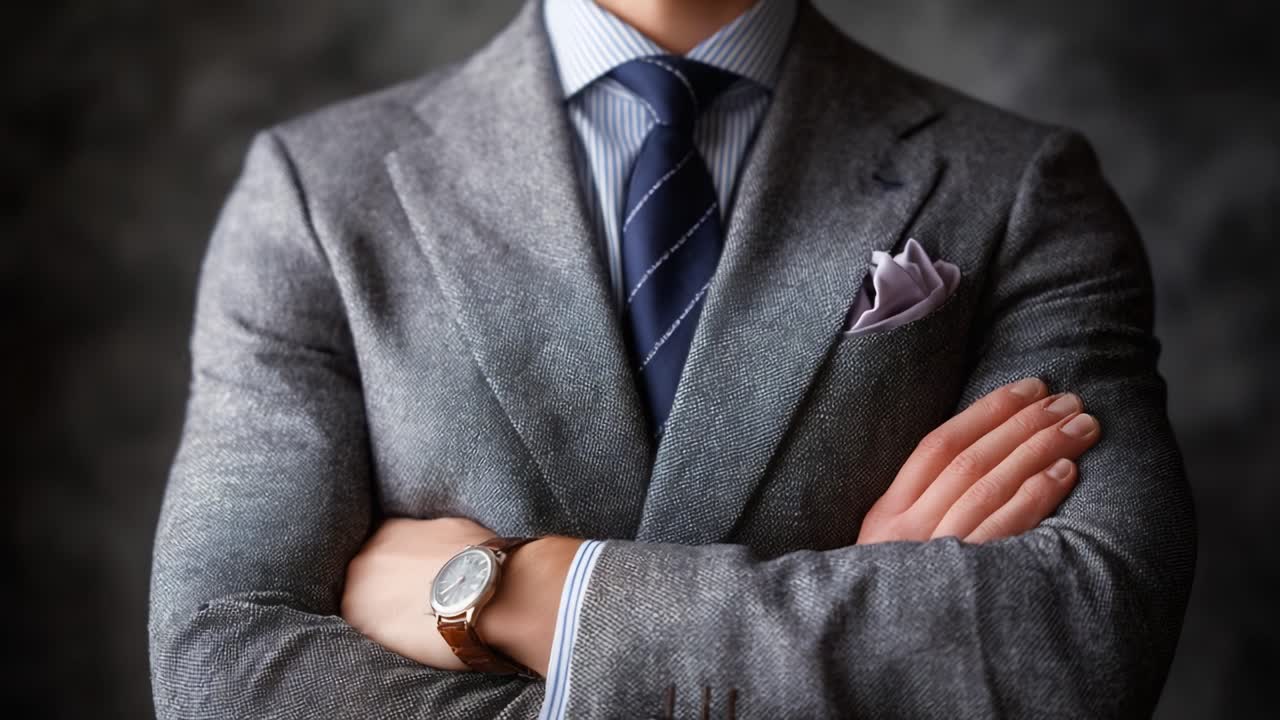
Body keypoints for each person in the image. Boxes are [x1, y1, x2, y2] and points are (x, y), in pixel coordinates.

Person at [148, 0, 1195, 717]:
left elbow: (1083, 638)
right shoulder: (314, 195)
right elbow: (222, 666)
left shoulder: (1020, 186)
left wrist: (525, 593)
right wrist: (860, 629)